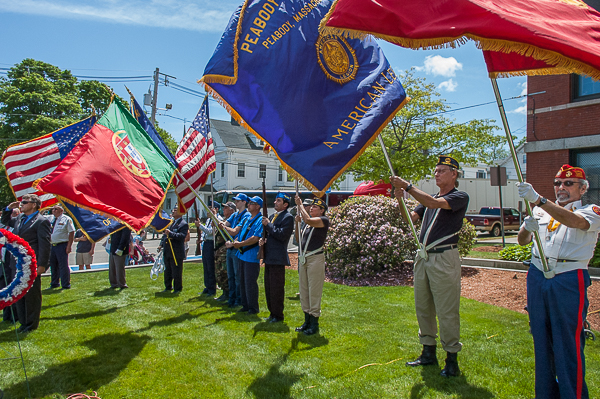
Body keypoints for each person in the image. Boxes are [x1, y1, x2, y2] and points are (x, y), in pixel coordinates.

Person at [517, 164, 599, 399]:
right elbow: (523, 242)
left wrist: (538, 199)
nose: (561, 188)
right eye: (557, 183)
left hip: (568, 278)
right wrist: (526, 226)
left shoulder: (591, 210)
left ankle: (572, 395)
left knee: (567, 343)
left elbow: (574, 222)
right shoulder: (541, 212)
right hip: (537, 274)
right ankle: (545, 394)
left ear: (582, 189)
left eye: (568, 183)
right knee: (541, 339)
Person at [390, 155, 469, 377]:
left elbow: (434, 204)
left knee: (446, 310)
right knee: (423, 307)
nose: (436, 174)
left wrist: (408, 185)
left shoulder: (458, 196)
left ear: (454, 174)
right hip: (424, 259)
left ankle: (451, 358)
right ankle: (428, 352)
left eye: (442, 170)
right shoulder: (429, 198)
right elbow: (409, 219)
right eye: (435, 170)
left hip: (444, 258)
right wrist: (400, 198)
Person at [1, 194, 51, 333]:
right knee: (18, 293)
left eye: (24, 202)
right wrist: (8, 209)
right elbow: (5, 220)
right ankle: (23, 322)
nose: (21, 204)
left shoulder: (41, 221)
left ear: (34, 205)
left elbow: (45, 245)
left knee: (31, 295)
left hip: (31, 264)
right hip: (16, 263)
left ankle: (31, 323)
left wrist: (42, 265)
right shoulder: (19, 219)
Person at [293, 196, 329, 335]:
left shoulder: (323, 221)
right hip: (305, 258)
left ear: (321, 211)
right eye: (311, 207)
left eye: (315, 207)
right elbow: (298, 239)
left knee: (314, 291)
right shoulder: (308, 224)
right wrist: (297, 224)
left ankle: (314, 323)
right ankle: (306, 320)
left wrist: (300, 204)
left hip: (315, 258)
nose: (312, 208)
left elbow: (307, 219)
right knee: (304, 290)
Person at [260, 192, 294, 323]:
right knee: (268, 288)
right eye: (275, 200)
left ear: (285, 204)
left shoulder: (288, 217)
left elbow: (282, 235)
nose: (275, 202)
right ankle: (271, 312)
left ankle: (278, 315)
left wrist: (268, 224)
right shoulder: (273, 216)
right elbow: (271, 235)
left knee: (276, 288)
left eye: (278, 201)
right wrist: (264, 241)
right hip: (269, 257)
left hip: (278, 258)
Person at [226, 196, 263, 315]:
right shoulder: (248, 219)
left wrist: (240, 244)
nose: (249, 205)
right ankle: (245, 305)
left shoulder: (260, 220)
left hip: (251, 256)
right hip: (241, 254)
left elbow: (255, 238)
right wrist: (234, 242)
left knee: (250, 282)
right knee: (242, 281)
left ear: (258, 206)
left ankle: (253, 308)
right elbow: (239, 233)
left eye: (252, 203)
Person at [220, 193, 250, 308]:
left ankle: (239, 299)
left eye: (238, 201)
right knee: (230, 275)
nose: (236, 203)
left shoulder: (246, 215)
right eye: (236, 201)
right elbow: (225, 223)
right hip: (230, 248)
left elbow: (234, 231)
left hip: (237, 248)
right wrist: (222, 224)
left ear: (244, 202)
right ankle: (231, 299)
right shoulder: (235, 214)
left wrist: (224, 227)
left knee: (238, 276)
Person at [160, 206, 189, 293]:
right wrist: (161, 244)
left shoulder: (183, 224)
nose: (173, 212)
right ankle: (168, 286)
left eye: (175, 210)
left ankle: (177, 288)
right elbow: (165, 235)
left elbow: (182, 236)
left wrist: (171, 234)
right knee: (167, 270)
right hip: (168, 250)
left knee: (176, 271)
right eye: (173, 210)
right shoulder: (171, 223)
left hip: (176, 251)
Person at [197, 202, 222, 296]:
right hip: (206, 243)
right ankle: (207, 286)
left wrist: (200, 226)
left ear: (216, 209)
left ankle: (212, 288)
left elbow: (211, 232)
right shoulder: (208, 219)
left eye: (210, 208)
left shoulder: (217, 219)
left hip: (212, 243)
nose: (208, 210)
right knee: (206, 266)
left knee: (211, 267)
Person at [48, 204, 75, 289]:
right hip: (52, 245)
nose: (54, 211)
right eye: (53, 209)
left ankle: (65, 284)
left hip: (62, 245)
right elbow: (39, 215)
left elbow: (71, 232)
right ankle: (54, 283)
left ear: (61, 211)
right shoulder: (50, 218)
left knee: (63, 265)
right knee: (53, 265)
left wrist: (69, 246)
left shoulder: (66, 219)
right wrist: (46, 207)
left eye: (56, 209)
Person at [1, 208, 20, 323]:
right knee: (3, 287)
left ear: (17, 215)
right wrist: (7, 209)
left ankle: (15, 315)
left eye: (13, 213)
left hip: (12, 260)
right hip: (3, 260)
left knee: (13, 288)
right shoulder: (4, 227)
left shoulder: (17, 226)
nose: (10, 216)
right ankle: (6, 315)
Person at [214, 202, 236, 301]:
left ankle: (228, 293)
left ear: (232, 210)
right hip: (219, 250)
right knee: (219, 272)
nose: (223, 210)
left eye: (226, 208)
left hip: (225, 249)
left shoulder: (232, 221)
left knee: (225, 272)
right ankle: (224, 291)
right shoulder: (224, 220)